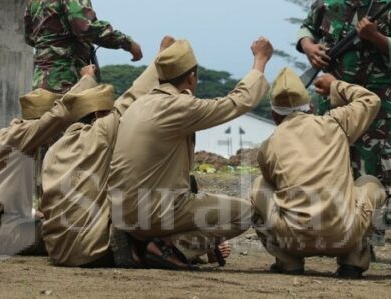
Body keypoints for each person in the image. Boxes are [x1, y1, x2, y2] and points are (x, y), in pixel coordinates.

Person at [108, 37, 272, 270]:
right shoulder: (178, 106)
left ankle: (140, 240)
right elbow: (238, 102)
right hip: (153, 211)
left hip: (120, 211)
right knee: (244, 213)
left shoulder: (137, 106)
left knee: (190, 193)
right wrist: (260, 61)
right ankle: (172, 249)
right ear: (191, 77)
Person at [41, 36, 171, 267]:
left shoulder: (56, 147)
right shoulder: (101, 133)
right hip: (88, 249)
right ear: (101, 113)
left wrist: (86, 80)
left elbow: (68, 105)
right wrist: (161, 57)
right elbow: (134, 94)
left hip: (56, 248)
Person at [296, 0, 391, 189]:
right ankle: (333, 221)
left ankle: (375, 225)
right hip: (333, 98)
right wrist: (309, 47)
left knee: (375, 168)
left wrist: (376, 37)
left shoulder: (390, 6)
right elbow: (307, 28)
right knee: (330, 161)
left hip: (376, 103)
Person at [251, 68, 384, 278]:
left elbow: (274, 189)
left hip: (294, 240)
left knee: (258, 186)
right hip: (344, 235)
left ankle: (289, 262)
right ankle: (353, 261)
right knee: (370, 183)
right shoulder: (335, 123)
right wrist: (335, 85)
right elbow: (371, 99)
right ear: (311, 108)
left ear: (274, 115)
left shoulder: (268, 146)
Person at [0, 67, 97, 255]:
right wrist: (87, 80)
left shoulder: (12, 137)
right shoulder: (19, 136)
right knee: (69, 233)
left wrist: (34, 214)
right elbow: (60, 115)